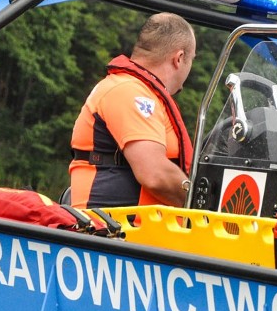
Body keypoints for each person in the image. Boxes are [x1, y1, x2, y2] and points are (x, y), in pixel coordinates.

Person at [69, 12, 196, 208]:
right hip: (110, 231)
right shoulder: (129, 91)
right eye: (191, 60)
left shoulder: (140, 92)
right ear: (179, 58)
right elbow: (154, 174)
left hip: (141, 231)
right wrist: (203, 203)